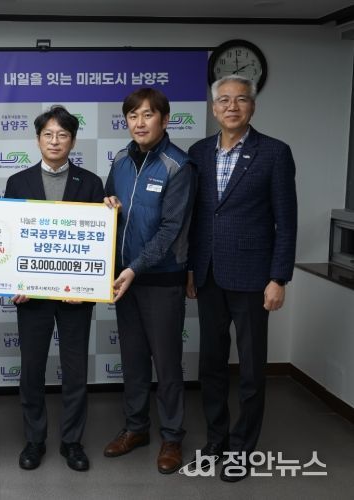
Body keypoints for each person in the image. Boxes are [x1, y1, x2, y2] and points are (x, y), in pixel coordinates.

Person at [186, 74, 297, 482]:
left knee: (250, 370)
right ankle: (216, 440)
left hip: (254, 279)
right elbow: (198, 218)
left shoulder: (274, 153)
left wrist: (278, 277)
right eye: (224, 100)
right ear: (214, 107)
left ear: (252, 106)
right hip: (209, 275)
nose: (232, 107)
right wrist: (192, 268)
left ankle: (241, 450)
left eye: (241, 100)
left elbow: (286, 222)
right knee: (211, 366)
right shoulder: (198, 152)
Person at [4, 106, 105, 472]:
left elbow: (99, 242)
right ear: (37, 140)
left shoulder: (91, 183)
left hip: (75, 296)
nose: (55, 141)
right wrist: (14, 282)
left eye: (62, 135)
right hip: (32, 296)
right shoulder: (18, 182)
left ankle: (72, 441)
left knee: (75, 371)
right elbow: (10, 238)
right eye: (48, 134)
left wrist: (88, 287)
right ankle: (34, 440)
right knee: (31, 370)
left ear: (73, 141)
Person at [102, 88, 194, 474]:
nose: (139, 123)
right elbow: (109, 206)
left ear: (165, 119)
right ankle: (136, 428)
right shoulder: (121, 161)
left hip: (161, 279)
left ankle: (172, 437)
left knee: (167, 363)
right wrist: (108, 205)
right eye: (132, 116)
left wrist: (134, 267)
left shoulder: (178, 166)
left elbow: (172, 229)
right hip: (125, 280)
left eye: (147, 115)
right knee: (133, 360)